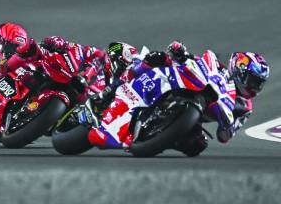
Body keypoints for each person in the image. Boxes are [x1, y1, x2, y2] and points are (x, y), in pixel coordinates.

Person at [88, 46, 270, 156]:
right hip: (184, 88)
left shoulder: (244, 106)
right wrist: (180, 53)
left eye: (259, 84)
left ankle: (156, 138)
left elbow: (225, 136)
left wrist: (227, 124)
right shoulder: (218, 66)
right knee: (156, 59)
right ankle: (109, 92)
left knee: (198, 145)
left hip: (195, 118)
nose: (255, 87)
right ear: (241, 71)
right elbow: (190, 61)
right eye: (254, 81)